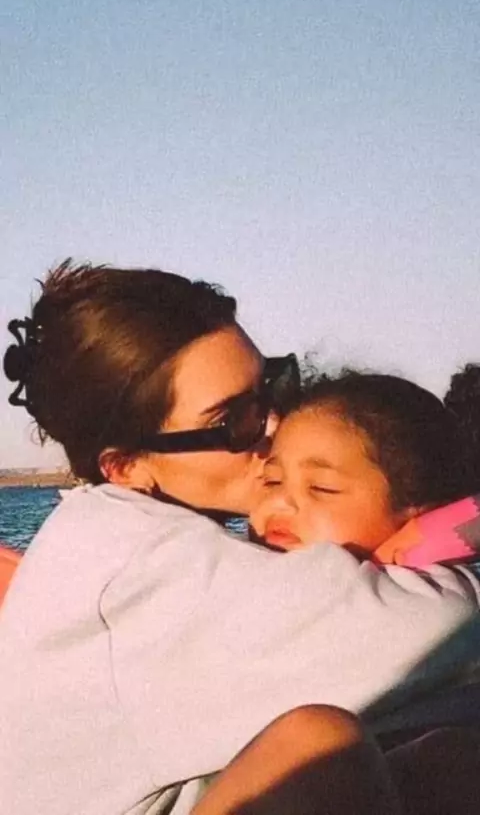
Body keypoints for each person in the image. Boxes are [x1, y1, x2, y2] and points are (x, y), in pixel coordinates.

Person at [1, 260, 480, 815]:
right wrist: (429, 545)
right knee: (320, 746)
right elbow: (428, 632)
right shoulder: (137, 566)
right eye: (233, 420)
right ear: (127, 466)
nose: (275, 425)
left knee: (441, 759)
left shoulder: (114, 541)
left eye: (273, 386)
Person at [250, 368, 480, 566]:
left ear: (415, 513)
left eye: (322, 487)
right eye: (272, 481)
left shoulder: (422, 595)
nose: (277, 502)